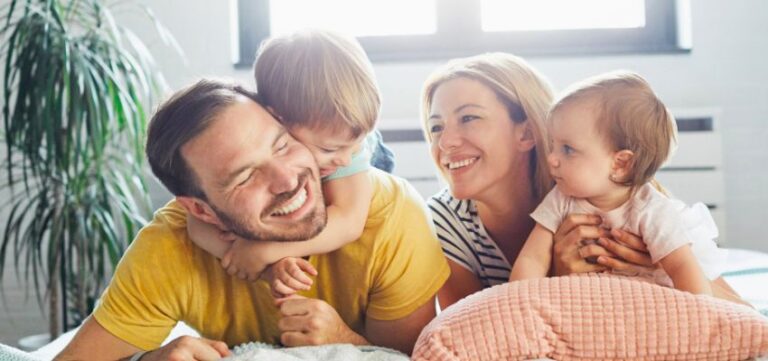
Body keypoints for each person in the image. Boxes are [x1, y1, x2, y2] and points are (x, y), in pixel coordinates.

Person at [55, 80, 449, 360]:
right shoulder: (170, 246)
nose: (286, 180)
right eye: (245, 177)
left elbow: (406, 357)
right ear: (201, 211)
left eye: (283, 145)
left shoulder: (390, 216)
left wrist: (346, 340)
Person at [420, 53, 743, 310]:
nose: (445, 142)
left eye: (468, 118)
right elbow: (469, 332)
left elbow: (734, 310)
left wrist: (658, 269)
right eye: (436, 127)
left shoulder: (604, 183)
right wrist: (558, 278)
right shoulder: (445, 223)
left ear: (528, 133)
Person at [187, 30, 393, 297]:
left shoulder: (348, 151)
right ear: (278, 121)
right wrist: (253, 261)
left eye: (355, 144)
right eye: (329, 148)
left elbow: (349, 222)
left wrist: (267, 251)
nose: (344, 158)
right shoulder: (253, 126)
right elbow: (196, 224)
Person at [509, 71, 726, 296]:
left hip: (642, 305)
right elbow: (532, 258)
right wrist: (518, 302)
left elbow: (683, 268)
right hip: (583, 307)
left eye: (568, 149)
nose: (551, 158)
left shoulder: (652, 210)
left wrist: (698, 314)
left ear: (620, 163)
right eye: (553, 144)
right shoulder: (561, 198)